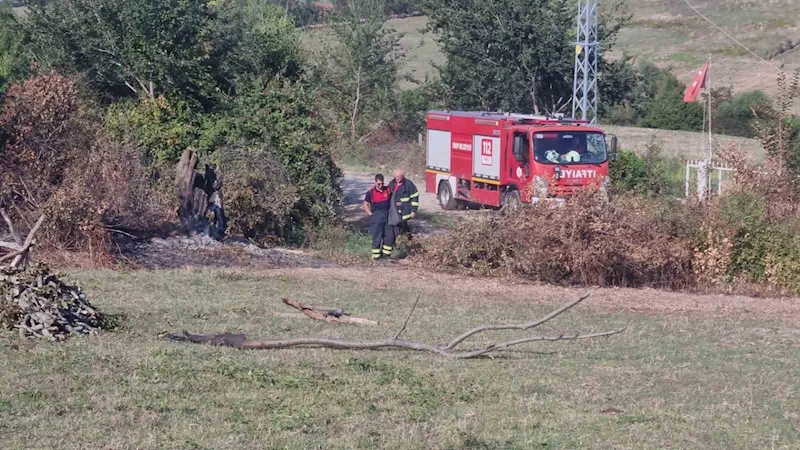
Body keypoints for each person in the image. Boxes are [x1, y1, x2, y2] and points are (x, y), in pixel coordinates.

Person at [383, 169, 419, 255]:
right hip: (394, 212)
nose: (397, 178)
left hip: (404, 212)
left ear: (403, 176)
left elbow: (415, 197)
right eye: (396, 177)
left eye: (399, 177)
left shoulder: (408, 184)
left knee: (403, 227)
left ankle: (408, 243)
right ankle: (396, 245)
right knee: (393, 230)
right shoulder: (392, 183)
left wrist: (413, 211)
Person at [363, 174, 392, 260]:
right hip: (376, 218)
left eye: (382, 183)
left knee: (389, 237)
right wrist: (371, 215)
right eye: (379, 184)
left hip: (387, 217)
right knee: (377, 238)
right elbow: (365, 204)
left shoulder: (388, 190)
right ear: (375, 182)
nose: (380, 185)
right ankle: (376, 257)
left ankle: (386, 256)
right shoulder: (371, 192)